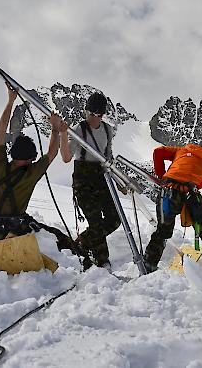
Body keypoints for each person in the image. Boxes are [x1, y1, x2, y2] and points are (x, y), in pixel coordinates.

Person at [0, 84, 66, 241]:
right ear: (30, 158)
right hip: (16, 229)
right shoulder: (31, 174)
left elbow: (1, 129)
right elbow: (52, 153)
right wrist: (55, 128)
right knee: (58, 237)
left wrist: (10, 100)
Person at [143, 140, 202, 273]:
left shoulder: (182, 150)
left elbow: (158, 152)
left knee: (162, 231)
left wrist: (161, 176)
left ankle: (148, 266)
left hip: (169, 191)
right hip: (191, 195)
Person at [60, 92, 120, 270]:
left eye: (99, 115)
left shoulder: (108, 130)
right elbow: (66, 157)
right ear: (86, 112)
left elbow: (109, 159)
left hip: (101, 179)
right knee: (95, 221)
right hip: (83, 180)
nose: (95, 119)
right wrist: (63, 134)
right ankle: (103, 261)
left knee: (114, 219)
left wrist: (120, 183)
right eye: (91, 114)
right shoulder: (79, 130)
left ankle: (82, 242)